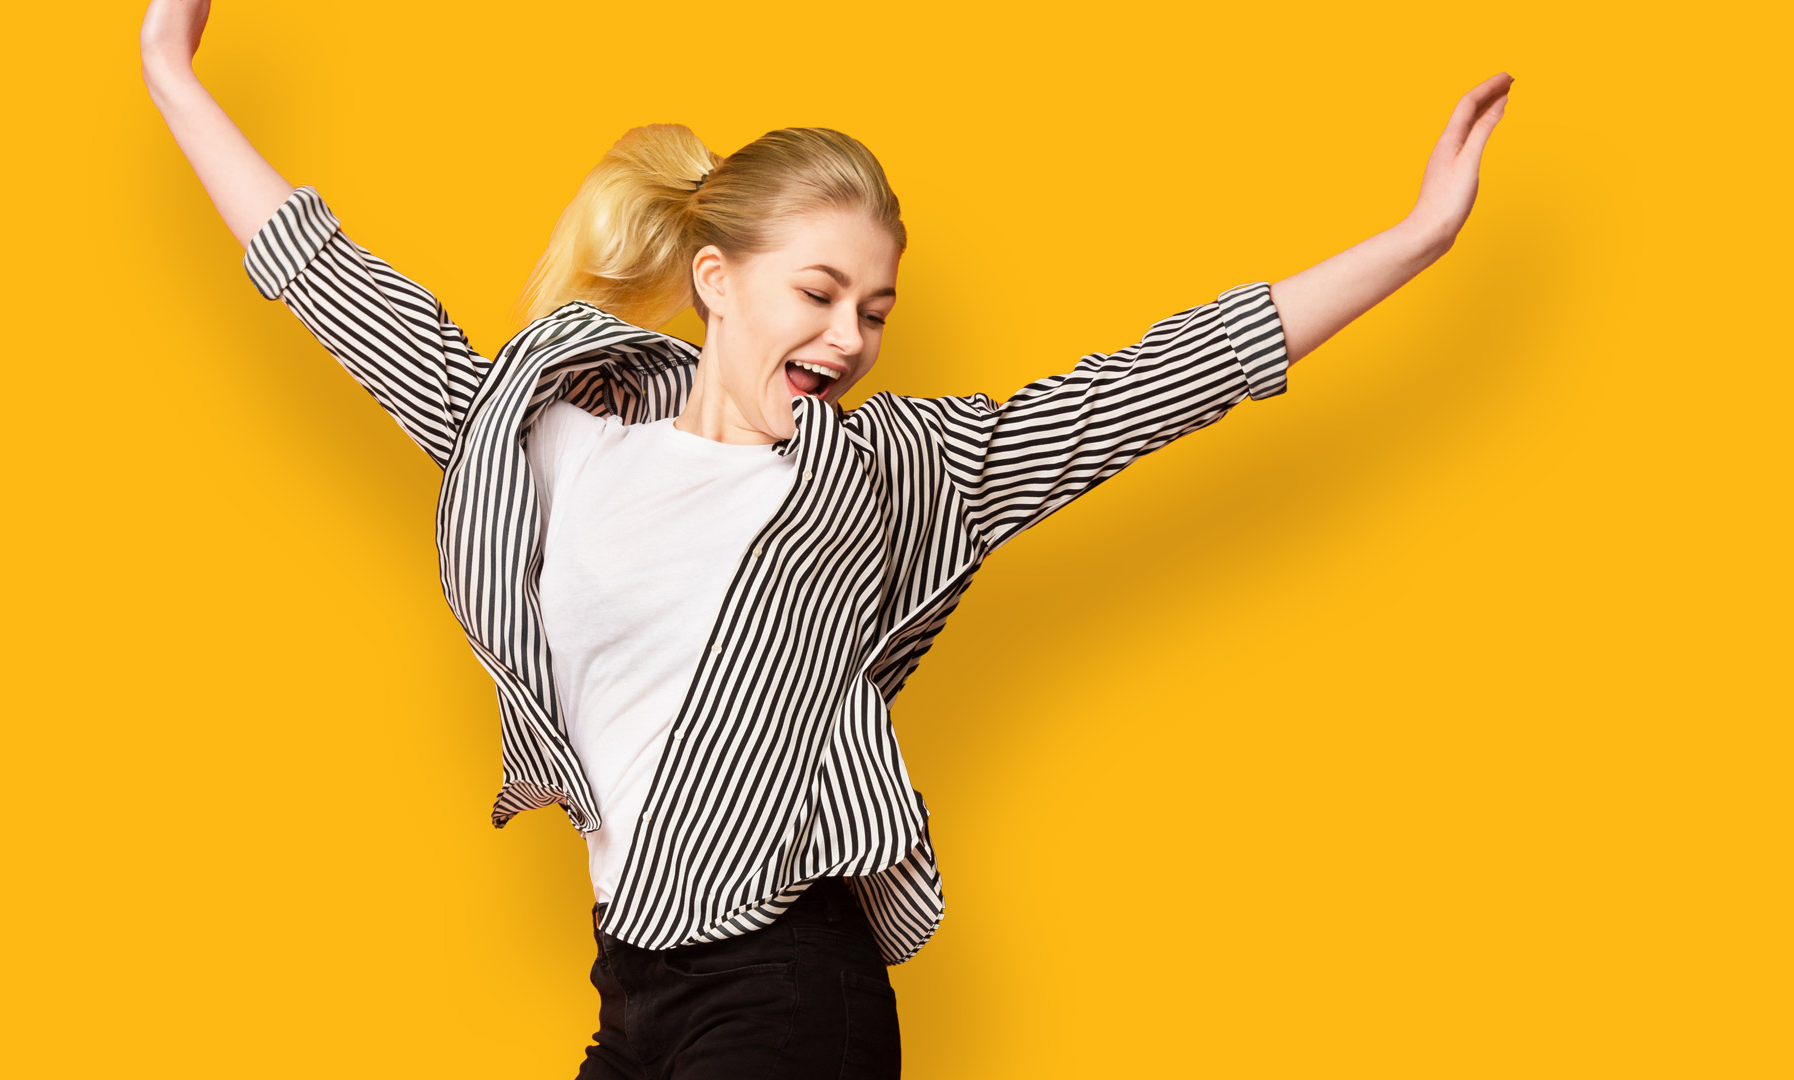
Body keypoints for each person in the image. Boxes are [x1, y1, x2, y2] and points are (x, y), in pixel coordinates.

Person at [141, 2, 1510, 1075]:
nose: (849, 337)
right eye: (819, 293)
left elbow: (1145, 388)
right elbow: (330, 283)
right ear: (716, 280)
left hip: (788, 984)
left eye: (876, 309)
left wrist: (1415, 241)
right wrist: (172, 77)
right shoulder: (549, 439)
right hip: (632, 988)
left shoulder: (899, 472)